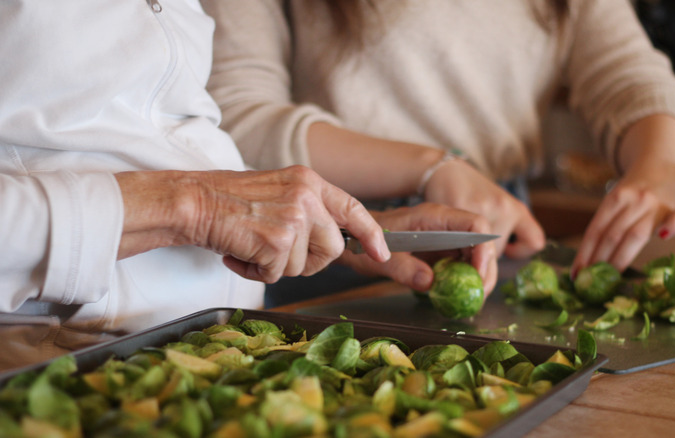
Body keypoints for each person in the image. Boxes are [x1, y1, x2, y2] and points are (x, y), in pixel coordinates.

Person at [0, 0, 496, 372]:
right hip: (60, 367)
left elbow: (153, 138)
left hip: (213, 354)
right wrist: (196, 209)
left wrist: (329, 232)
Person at [203, 0, 675, 282]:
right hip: (329, 234)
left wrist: (661, 170)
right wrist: (432, 167)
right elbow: (241, 114)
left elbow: (632, 79)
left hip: (497, 228)